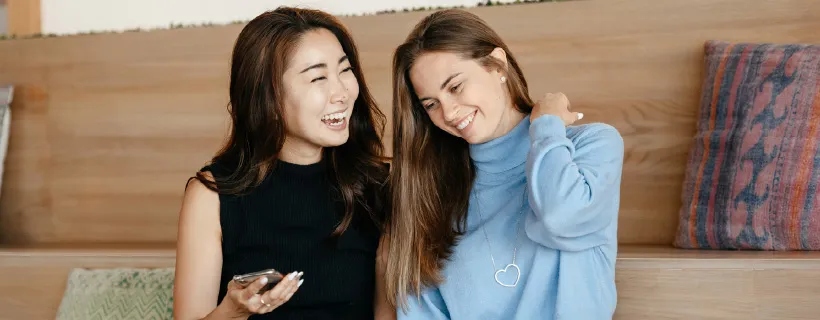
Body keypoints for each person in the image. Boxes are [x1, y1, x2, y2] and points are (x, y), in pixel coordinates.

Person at [385, 9, 624, 319]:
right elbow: (420, 310)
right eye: (431, 104)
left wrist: (547, 126)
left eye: (455, 87)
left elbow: (561, 218)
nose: (449, 112)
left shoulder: (590, 147)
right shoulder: (433, 193)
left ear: (498, 64)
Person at [173, 7, 394, 320]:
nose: (342, 92)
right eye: (318, 77)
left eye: (345, 70)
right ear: (269, 99)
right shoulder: (210, 196)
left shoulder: (379, 186)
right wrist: (232, 312)